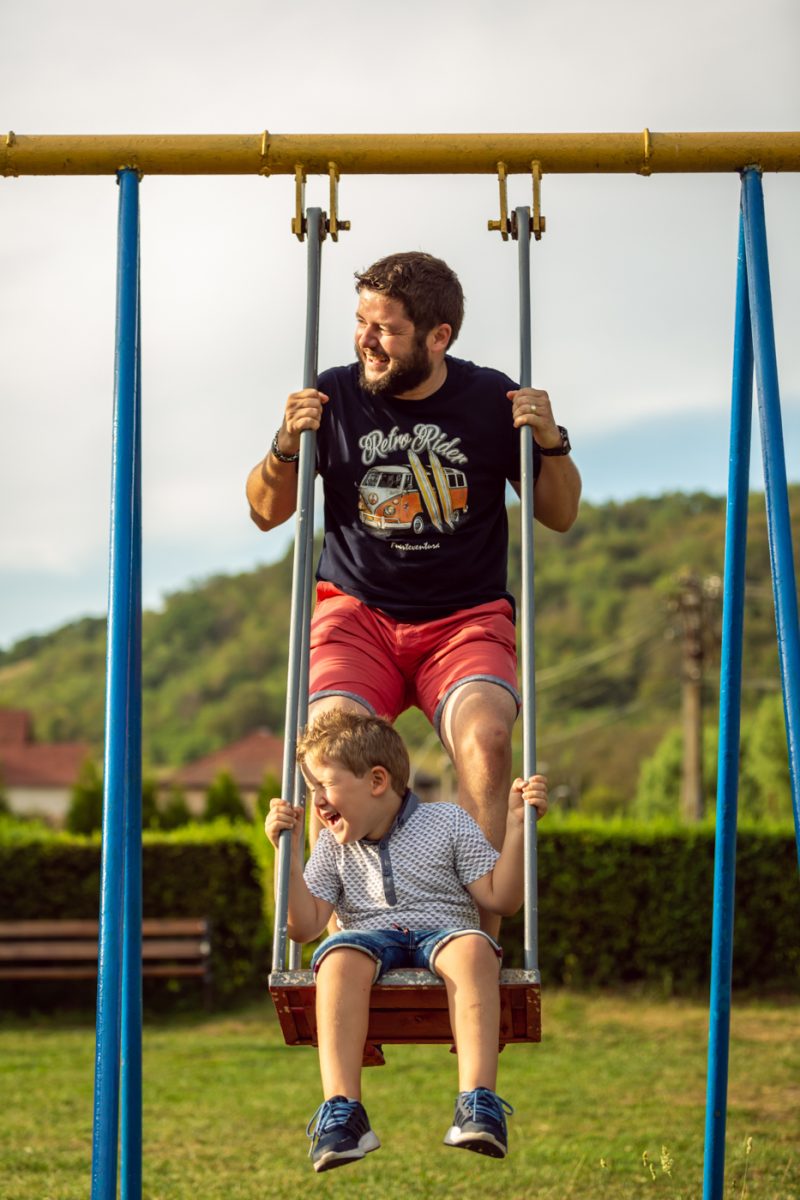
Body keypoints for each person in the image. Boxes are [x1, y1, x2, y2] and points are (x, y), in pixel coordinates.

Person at [248, 251, 579, 930]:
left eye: (386, 328)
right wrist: (286, 444)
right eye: (361, 322)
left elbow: (561, 512)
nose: (367, 340)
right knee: (329, 744)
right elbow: (264, 511)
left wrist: (550, 441)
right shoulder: (333, 395)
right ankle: (348, 939)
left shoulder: (490, 400)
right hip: (356, 615)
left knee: (486, 738)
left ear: (439, 337)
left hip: (464, 622)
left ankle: (473, 934)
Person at [264, 710, 548, 1172]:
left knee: (475, 948)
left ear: (377, 780)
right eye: (311, 790)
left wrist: (517, 826)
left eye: (325, 787)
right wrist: (288, 853)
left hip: (445, 931)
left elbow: (501, 897)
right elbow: (305, 924)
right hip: (370, 938)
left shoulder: (448, 822)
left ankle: (478, 1101)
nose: (315, 802)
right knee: (335, 959)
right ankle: (343, 1112)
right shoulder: (335, 848)